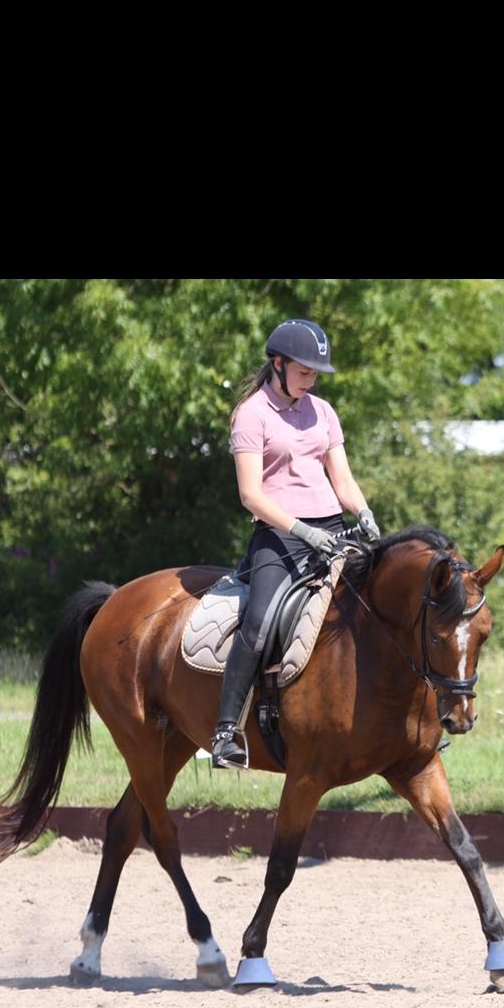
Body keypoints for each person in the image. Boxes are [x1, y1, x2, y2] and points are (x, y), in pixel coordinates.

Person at [211, 318, 381, 768]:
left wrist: (364, 515)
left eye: (316, 373)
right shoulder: (252, 414)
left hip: (333, 529)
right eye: (305, 371)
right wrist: (302, 532)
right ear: (278, 364)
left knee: (386, 603)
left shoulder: (323, 411)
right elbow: (250, 494)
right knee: (260, 621)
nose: (312, 379)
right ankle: (226, 732)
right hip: (280, 536)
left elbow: (341, 477)